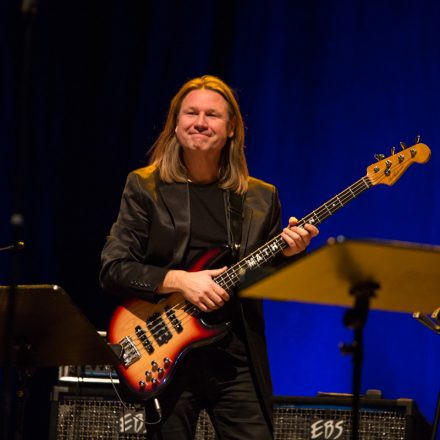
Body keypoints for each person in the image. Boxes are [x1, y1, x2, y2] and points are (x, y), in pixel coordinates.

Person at [100, 75, 319, 439]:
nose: (200, 122)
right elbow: (113, 268)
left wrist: (292, 254)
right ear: (176, 122)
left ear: (232, 128)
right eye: (191, 113)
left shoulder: (261, 198)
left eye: (213, 115)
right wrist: (182, 281)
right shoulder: (145, 186)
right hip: (166, 354)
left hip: (235, 358)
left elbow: (262, 278)